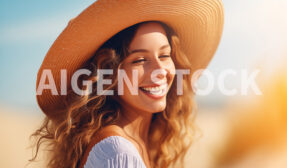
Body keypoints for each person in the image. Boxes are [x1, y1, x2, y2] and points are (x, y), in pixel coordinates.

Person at [29, 1, 224, 168]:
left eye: (164, 55)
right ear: (108, 73)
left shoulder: (137, 144)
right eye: (139, 60)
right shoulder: (118, 153)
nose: (159, 70)